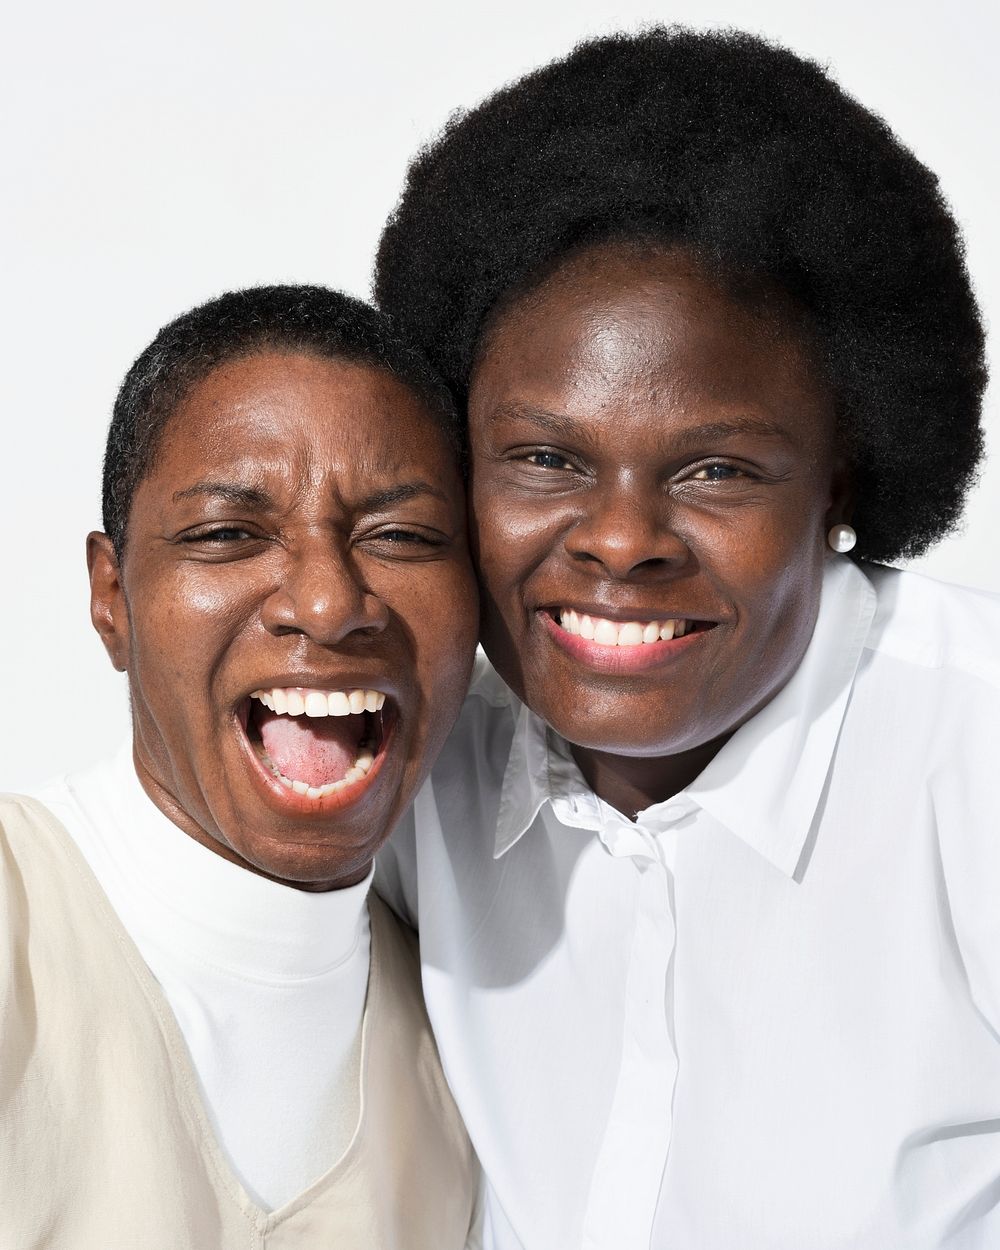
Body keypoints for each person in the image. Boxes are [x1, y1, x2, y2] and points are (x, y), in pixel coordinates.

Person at [372, 28, 1000, 1250]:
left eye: (715, 469)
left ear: (841, 485)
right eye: (546, 458)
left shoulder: (973, 750)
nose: (618, 539)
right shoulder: (413, 756)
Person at [0, 285, 481, 1248]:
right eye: (228, 534)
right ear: (113, 600)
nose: (327, 601)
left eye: (402, 537)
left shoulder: (470, 1049)